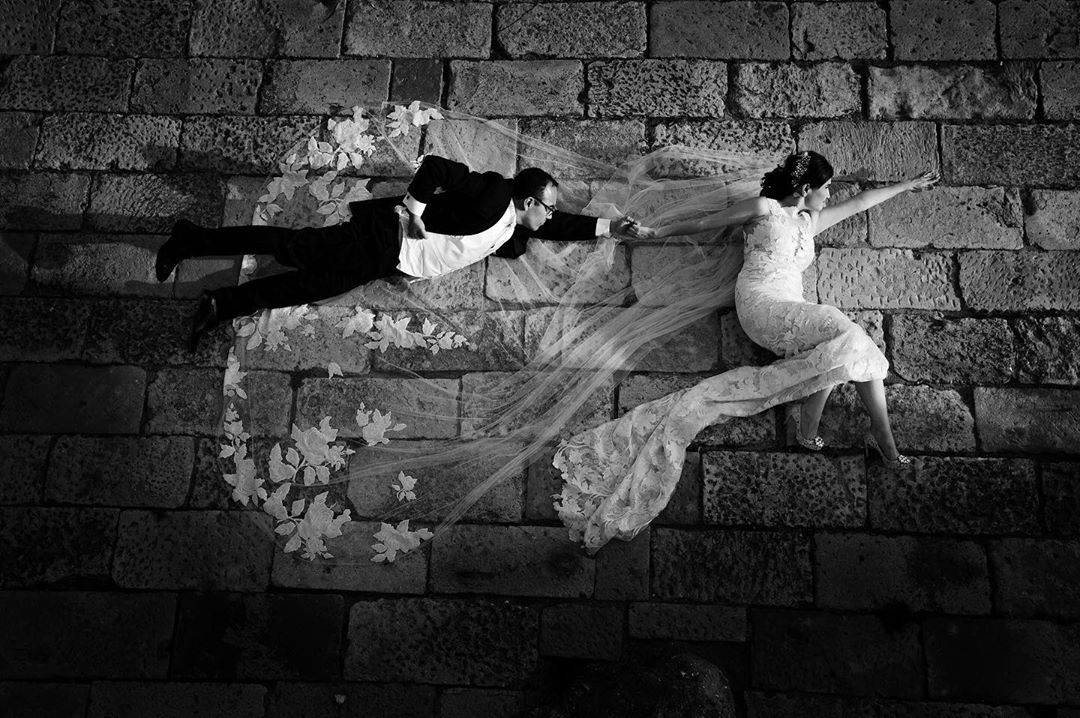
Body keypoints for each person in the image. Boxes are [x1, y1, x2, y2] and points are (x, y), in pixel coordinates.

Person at [551, 151, 940, 550]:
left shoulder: (811, 222)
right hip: (760, 305)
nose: (829, 197)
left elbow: (860, 203)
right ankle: (860, 434)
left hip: (793, 306)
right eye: (825, 189)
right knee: (842, 329)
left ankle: (834, 433)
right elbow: (704, 222)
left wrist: (907, 186)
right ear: (805, 189)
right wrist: (652, 232)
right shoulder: (764, 208)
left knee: (846, 346)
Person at [155, 155, 634, 350]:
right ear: (530, 202)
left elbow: (563, 226)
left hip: (389, 258)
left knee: (308, 283)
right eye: (548, 209)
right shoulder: (493, 194)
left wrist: (612, 227)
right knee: (291, 249)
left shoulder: (515, 225)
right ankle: (192, 239)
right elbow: (437, 168)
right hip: (385, 237)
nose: (552, 217)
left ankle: (219, 303)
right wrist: (414, 209)